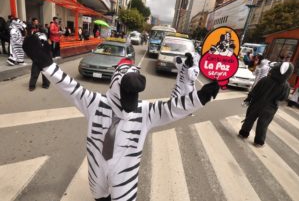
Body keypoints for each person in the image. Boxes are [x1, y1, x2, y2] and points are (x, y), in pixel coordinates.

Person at [23, 33, 219, 201]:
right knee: (99, 195)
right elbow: (69, 87)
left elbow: (172, 108)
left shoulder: (145, 112)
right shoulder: (94, 103)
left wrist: (200, 96)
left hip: (126, 173)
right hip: (97, 169)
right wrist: (45, 62)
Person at [239, 62, 294, 147]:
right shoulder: (286, 86)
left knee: (249, 119)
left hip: (256, 103)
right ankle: (258, 142)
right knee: (263, 124)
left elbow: (254, 91)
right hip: (270, 108)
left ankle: (243, 133)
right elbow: (283, 98)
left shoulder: (265, 79)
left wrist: (248, 100)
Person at [28, 18, 50, 91]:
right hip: (38, 56)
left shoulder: (44, 35)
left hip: (42, 56)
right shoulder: (33, 35)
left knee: (42, 71)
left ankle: (44, 84)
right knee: (36, 71)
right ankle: (33, 85)